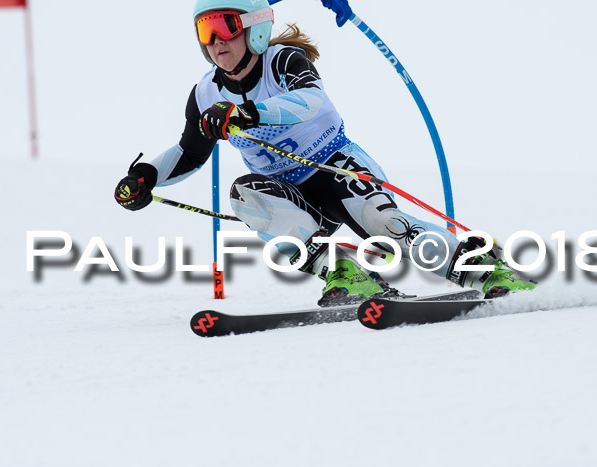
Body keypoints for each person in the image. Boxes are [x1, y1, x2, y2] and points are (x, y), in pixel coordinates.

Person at [114, 0, 536, 305]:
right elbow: (190, 151)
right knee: (245, 193)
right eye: (204, 31)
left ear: (254, 28)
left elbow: (310, 101)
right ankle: (346, 273)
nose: (215, 41)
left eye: (224, 26)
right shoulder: (207, 92)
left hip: (334, 165)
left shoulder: (283, 60)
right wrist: (146, 177)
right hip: (288, 193)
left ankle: (483, 267)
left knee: (385, 225)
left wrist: (248, 112)